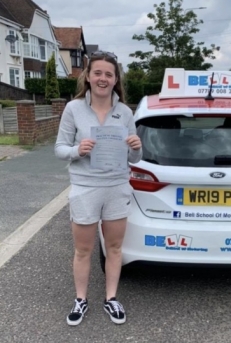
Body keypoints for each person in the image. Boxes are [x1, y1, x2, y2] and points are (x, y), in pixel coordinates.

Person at [55, 51, 142, 326]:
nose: (103, 78)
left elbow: (135, 159)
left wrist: (137, 149)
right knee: (83, 249)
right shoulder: (74, 108)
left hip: (117, 187)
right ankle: (80, 299)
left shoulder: (125, 112)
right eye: (98, 73)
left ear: (115, 80)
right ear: (88, 76)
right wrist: (77, 150)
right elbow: (59, 149)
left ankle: (111, 298)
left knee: (114, 248)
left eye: (109, 74)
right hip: (85, 188)